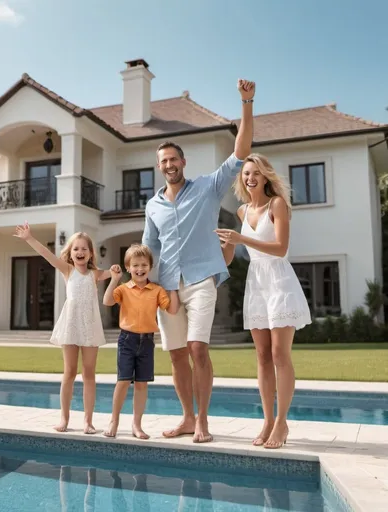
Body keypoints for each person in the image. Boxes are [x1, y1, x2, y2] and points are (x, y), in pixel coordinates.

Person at [142, 79, 255, 443]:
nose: (169, 164)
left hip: (202, 280)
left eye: (174, 159)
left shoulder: (208, 186)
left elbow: (241, 151)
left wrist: (246, 102)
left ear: (183, 162)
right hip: (166, 289)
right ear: (159, 167)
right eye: (164, 161)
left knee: (197, 349)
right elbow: (148, 250)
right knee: (176, 356)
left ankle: (204, 420)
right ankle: (187, 418)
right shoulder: (153, 206)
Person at [215, 153, 312, 449]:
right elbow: (232, 255)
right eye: (246, 173)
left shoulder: (277, 205)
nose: (250, 178)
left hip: (279, 281)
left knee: (280, 355)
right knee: (261, 356)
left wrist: (242, 240)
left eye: (255, 172)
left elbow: (280, 248)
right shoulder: (242, 212)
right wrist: (226, 245)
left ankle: (282, 423)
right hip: (256, 284)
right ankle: (268, 420)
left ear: (266, 175)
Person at [14, 222, 120, 434]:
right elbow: (46, 254)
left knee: (89, 373)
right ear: (70, 254)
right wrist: (29, 238)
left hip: (90, 326)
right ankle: (64, 418)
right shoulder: (67, 269)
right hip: (70, 325)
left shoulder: (96, 274)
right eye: (76, 248)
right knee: (69, 372)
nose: (80, 252)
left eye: (84, 248)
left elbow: (114, 273)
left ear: (90, 253)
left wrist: (115, 273)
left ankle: (88, 421)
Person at [102, 244, 179, 439]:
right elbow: (107, 301)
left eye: (144, 264)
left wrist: (174, 287)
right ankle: (114, 421)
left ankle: (137, 425)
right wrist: (114, 279)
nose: (140, 268)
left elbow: (172, 310)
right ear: (128, 267)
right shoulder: (123, 289)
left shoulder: (157, 290)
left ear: (150, 267)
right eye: (135, 265)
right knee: (123, 381)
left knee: (142, 384)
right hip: (127, 340)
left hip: (147, 342)